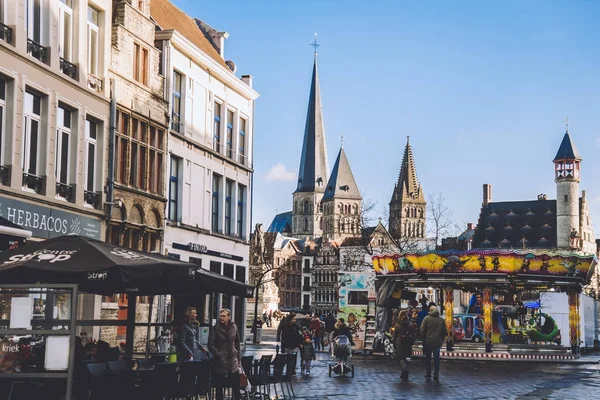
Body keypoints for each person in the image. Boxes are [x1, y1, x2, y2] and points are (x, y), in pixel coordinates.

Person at [208, 308, 241, 400]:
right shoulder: (215, 328)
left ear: (229, 317)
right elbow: (210, 344)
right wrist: (218, 353)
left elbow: (237, 342)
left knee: (236, 387)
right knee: (219, 387)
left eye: (224, 316)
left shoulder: (234, 327)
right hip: (220, 361)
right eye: (220, 316)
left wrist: (238, 357)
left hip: (233, 360)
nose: (221, 318)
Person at [419, 305, 445, 381]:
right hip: (437, 342)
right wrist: (441, 339)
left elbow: (422, 330)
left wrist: (423, 338)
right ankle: (436, 374)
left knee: (428, 358)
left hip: (428, 341)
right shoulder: (441, 320)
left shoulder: (426, 319)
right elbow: (444, 332)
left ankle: (428, 372)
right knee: (436, 359)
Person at [393, 311, 415, 381]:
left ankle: (405, 370)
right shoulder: (410, 324)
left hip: (400, 343)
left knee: (401, 358)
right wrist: (412, 342)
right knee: (406, 357)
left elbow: (395, 336)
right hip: (408, 342)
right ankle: (403, 373)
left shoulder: (397, 325)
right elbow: (413, 334)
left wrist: (394, 345)